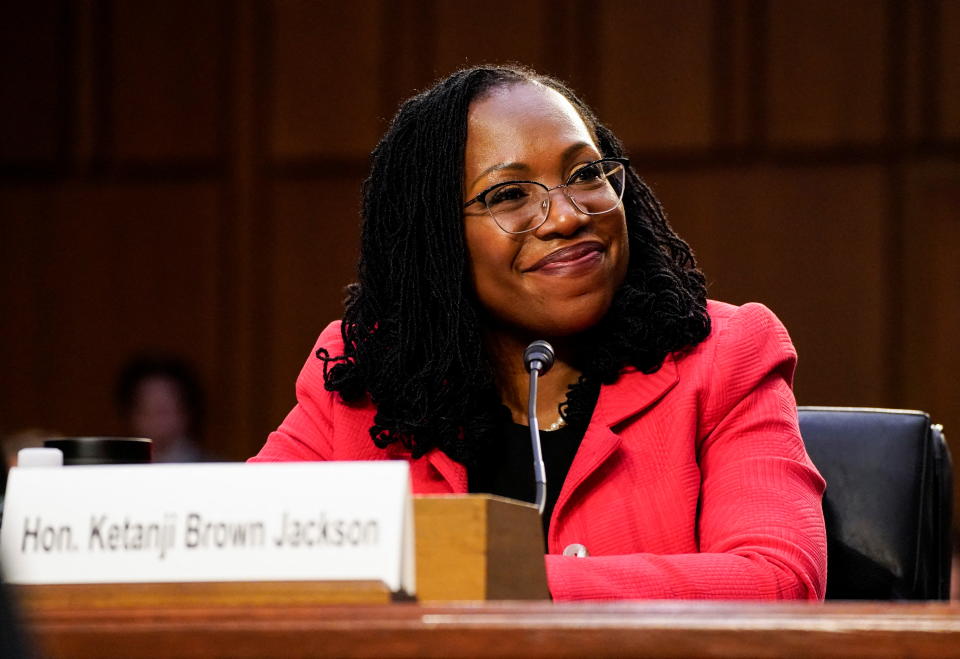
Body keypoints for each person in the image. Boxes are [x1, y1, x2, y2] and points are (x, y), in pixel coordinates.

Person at [251, 65, 827, 601]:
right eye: (509, 195)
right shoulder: (366, 374)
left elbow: (777, 580)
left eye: (585, 173)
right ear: (437, 237)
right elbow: (229, 555)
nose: (568, 215)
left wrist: (492, 579)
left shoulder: (724, 357)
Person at [115, 354, 207, 463]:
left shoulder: (214, 471)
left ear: (186, 412)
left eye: (163, 411)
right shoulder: (113, 470)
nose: (155, 420)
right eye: (146, 410)